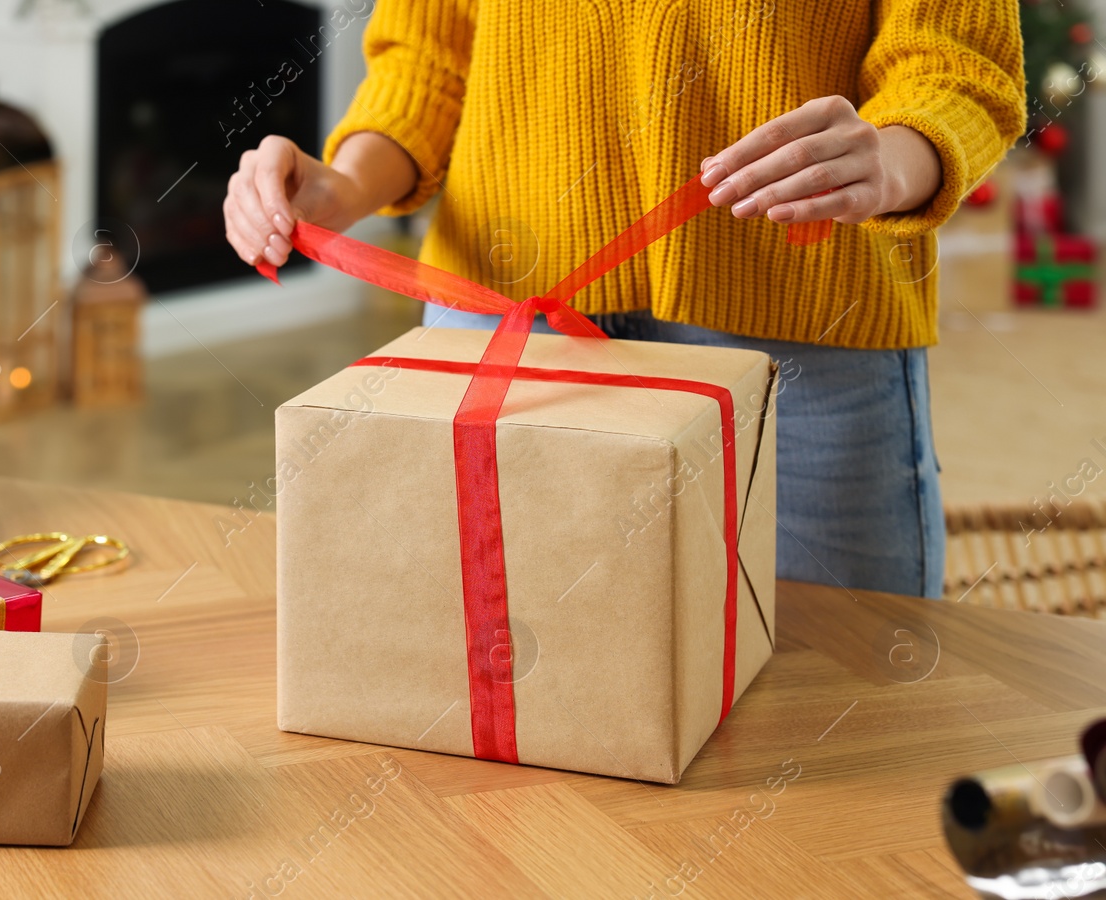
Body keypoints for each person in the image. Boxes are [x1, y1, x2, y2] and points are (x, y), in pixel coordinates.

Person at [223, 1, 1025, 599]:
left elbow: (956, 66)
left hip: (805, 327)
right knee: (503, 691)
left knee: (847, 709)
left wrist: (891, 157)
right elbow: (427, 59)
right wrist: (343, 184)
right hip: (506, 320)